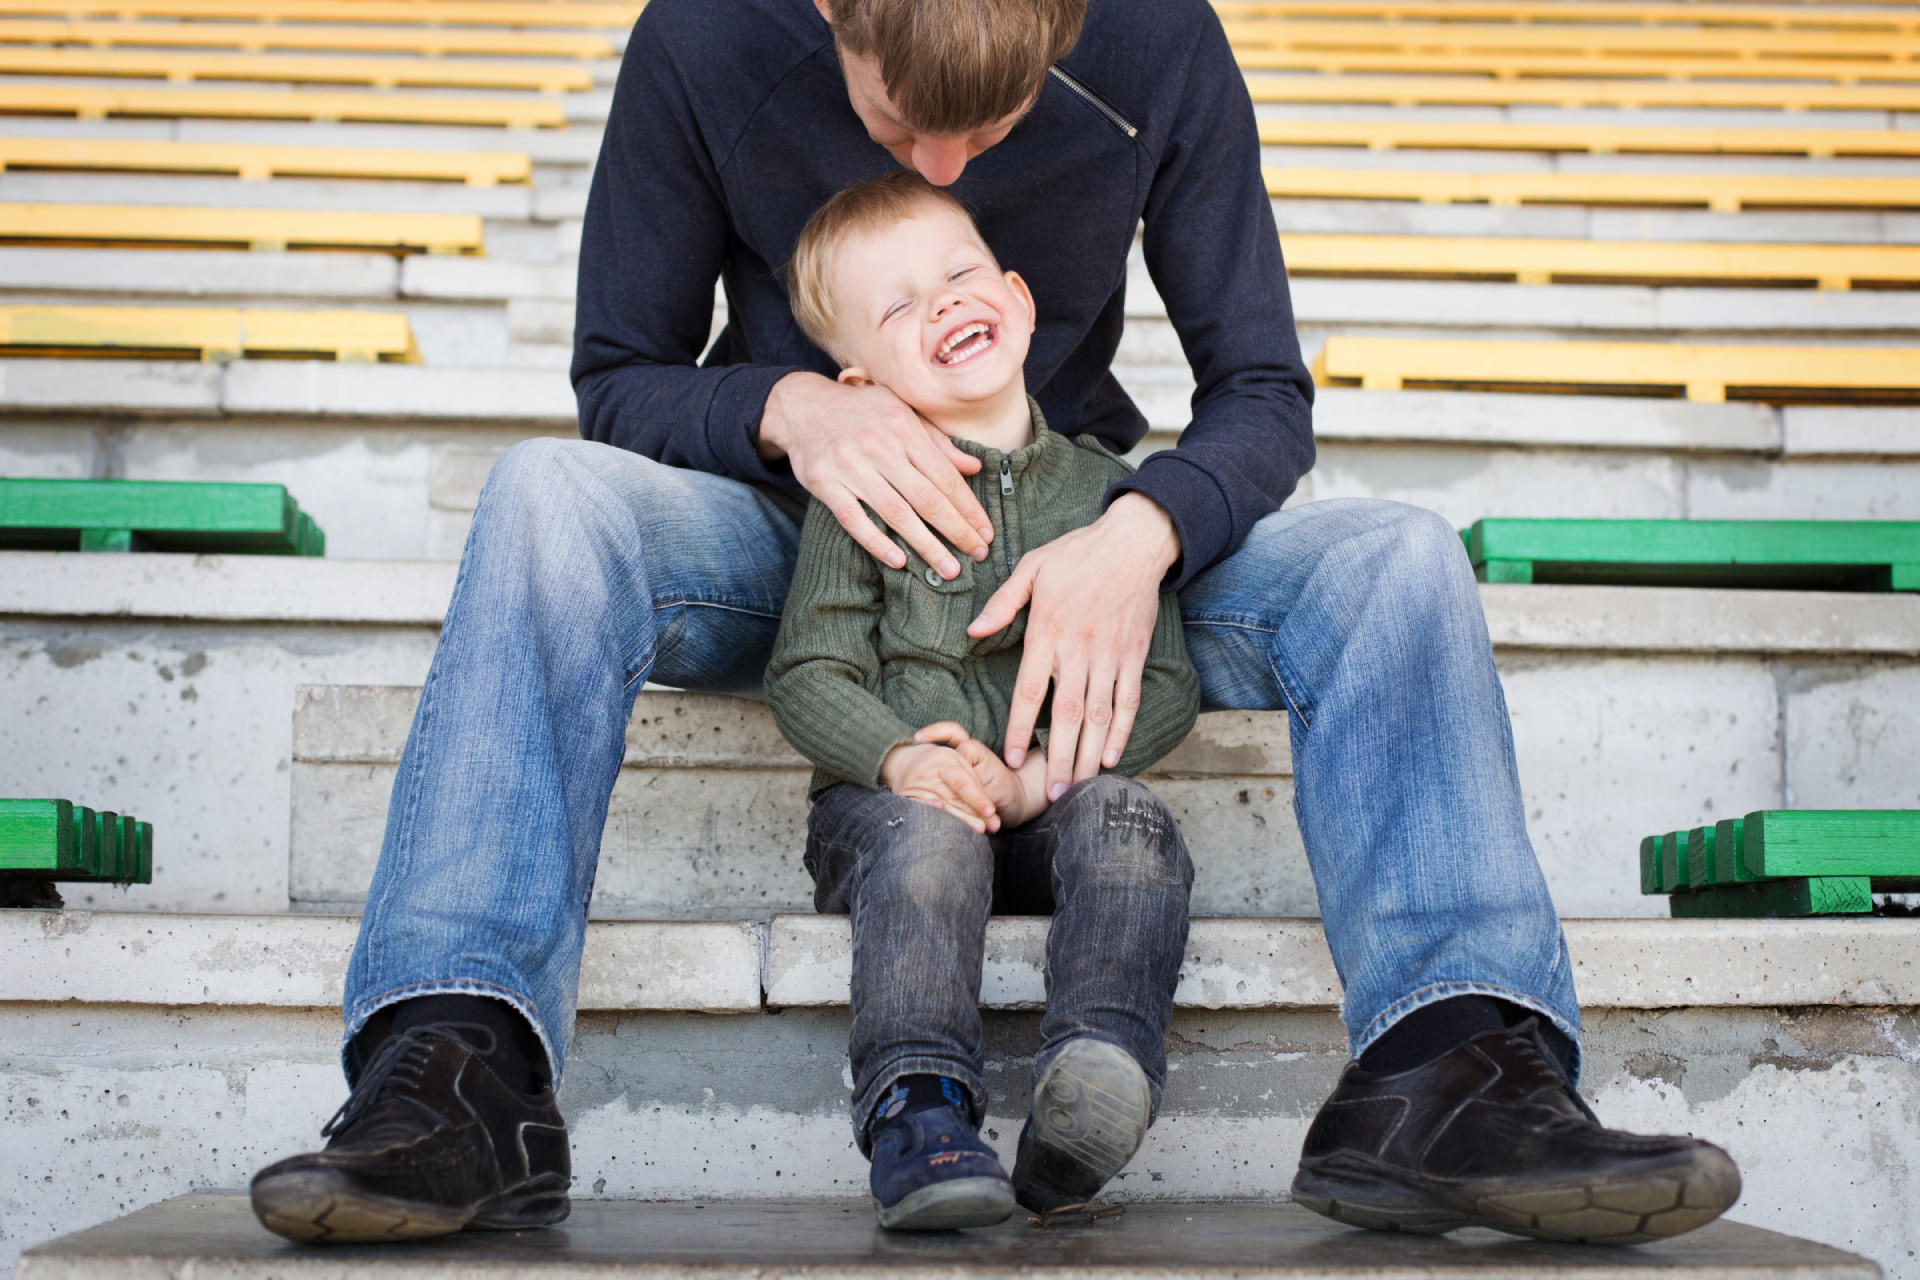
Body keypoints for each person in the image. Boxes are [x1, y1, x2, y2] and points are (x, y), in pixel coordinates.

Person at [249, 0, 1742, 1247]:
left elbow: (1263, 396)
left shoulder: (1162, 38)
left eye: (1002, 120)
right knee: (542, 498)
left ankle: (1450, 1069)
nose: (949, 165)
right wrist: (786, 412)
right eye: (903, 129)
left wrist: (1142, 532)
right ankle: (460, 1067)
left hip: (1079, 525)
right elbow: (619, 372)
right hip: (805, 533)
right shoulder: (704, 31)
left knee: (1399, 558)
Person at [765, 171, 1199, 1229]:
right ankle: (921, 1104)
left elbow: (1173, 684)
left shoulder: (1108, 495)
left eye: (959, 276)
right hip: (894, 806)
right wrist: (904, 759)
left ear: (1017, 293)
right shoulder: (857, 493)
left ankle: (1095, 1080)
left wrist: (1034, 775)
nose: (945, 302)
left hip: (1047, 790)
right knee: (928, 844)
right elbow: (808, 672)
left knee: (1134, 819)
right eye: (901, 303)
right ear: (858, 378)